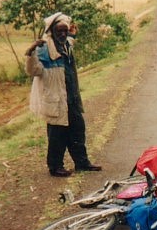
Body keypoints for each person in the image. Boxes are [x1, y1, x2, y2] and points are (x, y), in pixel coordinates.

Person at [25, 12, 101, 177]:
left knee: (78, 131)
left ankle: (82, 163)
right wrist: (30, 53)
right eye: (59, 31)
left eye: (64, 31)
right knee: (57, 135)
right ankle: (55, 167)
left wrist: (72, 32)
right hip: (55, 99)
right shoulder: (44, 48)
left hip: (71, 98)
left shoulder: (67, 43)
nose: (62, 34)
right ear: (51, 31)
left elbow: (71, 38)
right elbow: (33, 71)